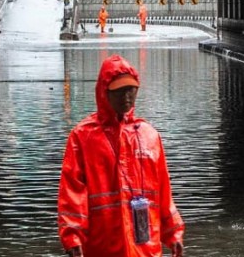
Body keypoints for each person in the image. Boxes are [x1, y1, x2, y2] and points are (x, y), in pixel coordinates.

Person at [57, 54, 185, 257]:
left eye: (131, 90)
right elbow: (72, 191)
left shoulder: (149, 135)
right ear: (104, 92)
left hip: (145, 246)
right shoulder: (83, 137)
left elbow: (163, 190)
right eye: (119, 91)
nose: (127, 96)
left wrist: (174, 233)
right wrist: (72, 236)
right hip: (103, 245)